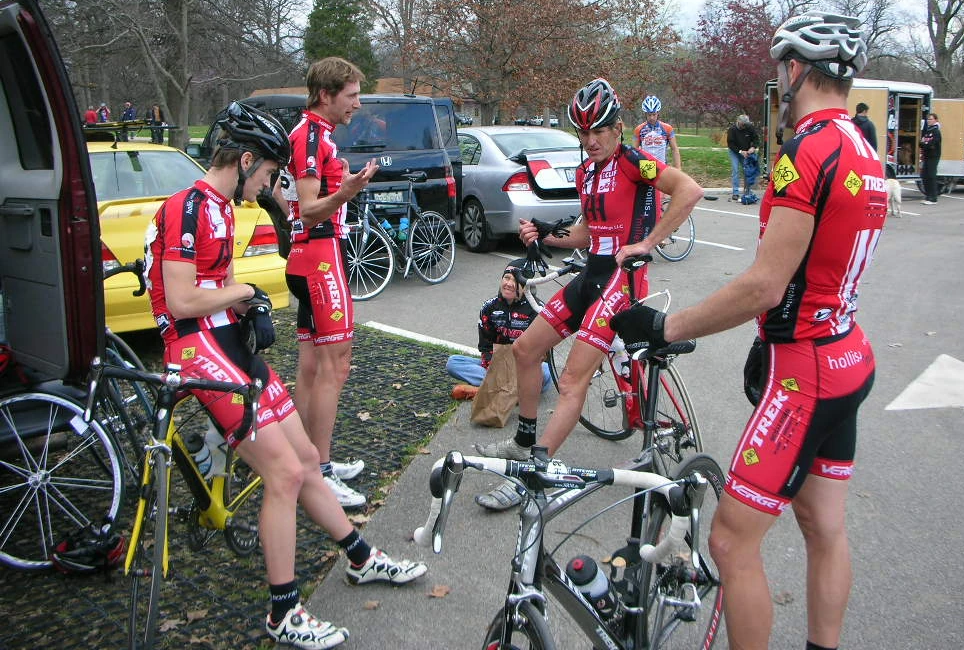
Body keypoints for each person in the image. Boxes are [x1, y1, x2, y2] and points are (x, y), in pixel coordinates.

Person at [611, 11, 883, 650]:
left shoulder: (807, 152)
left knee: (730, 539)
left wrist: (664, 324)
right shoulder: (864, 146)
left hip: (808, 368)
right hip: (847, 352)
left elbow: (765, 283)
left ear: (794, 71)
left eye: (778, 72)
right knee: (823, 525)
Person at [144, 102, 425, 649]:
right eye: (271, 174)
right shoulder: (188, 206)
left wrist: (242, 305)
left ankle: (361, 558)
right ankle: (283, 611)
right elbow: (179, 299)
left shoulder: (224, 205)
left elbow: (214, 282)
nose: (274, 184)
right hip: (196, 349)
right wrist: (247, 293)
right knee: (283, 475)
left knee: (304, 460)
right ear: (245, 159)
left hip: (227, 339)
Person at [472, 78, 704, 510]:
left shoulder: (636, 163)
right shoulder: (586, 171)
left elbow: (690, 191)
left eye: (598, 130)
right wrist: (546, 235)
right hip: (591, 275)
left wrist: (647, 244)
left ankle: (534, 475)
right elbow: (586, 232)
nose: (590, 140)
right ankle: (524, 442)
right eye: (583, 132)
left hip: (622, 279)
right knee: (525, 350)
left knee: (573, 378)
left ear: (618, 128)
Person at [280, 56, 379, 509]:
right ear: (326, 95)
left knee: (311, 366)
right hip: (320, 254)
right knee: (334, 367)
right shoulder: (312, 135)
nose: (357, 104)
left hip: (307, 257)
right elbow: (305, 207)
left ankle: (309, 461)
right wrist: (347, 191)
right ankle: (317, 471)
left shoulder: (308, 133)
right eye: (352, 95)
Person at [445, 258, 553, 398]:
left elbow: (542, 354)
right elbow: (485, 347)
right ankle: (511, 392)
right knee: (453, 363)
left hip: (526, 367)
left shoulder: (538, 310)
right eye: (506, 278)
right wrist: (493, 367)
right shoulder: (489, 307)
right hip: (497, 365)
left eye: (514, 280)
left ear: (525, 285)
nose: (508, 284)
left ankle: (488, 391)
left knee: (546, 372)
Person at [633, 95, 681, 170]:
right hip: (646, 168)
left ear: (658, 113)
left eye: (654, 114)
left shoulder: (667, 128)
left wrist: (678, 169)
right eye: (649, 115)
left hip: (662, 166)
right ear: (645, 114)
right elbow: (634, 151)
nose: (651, 117)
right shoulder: (639, 129)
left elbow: (674, 149)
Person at [727, 114, 760, 201]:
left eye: (745, 124)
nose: (744, 126)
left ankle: (747, 191)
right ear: (738, 121)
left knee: (747, 171)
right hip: (735, 152)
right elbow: (731, 144)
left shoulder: (750, 127)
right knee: (735, 170)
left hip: (746, 152)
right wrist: (740, 152)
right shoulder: (732, 130)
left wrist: (753, 147)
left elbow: (756, 139)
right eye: (742, 124)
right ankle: (735, 193)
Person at [920, 112, 942, 205]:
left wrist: (925, 144)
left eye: (931, 119)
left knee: (931, 176)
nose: (929, 121)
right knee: (925, 176)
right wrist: (924, 144)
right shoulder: (928, 131)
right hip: (926, 156)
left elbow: (932, 144)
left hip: (933, 156)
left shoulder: (936, 131)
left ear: (935, 120)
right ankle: (928, 196)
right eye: (928, 119)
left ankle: (933, 198)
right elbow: (921, 143)